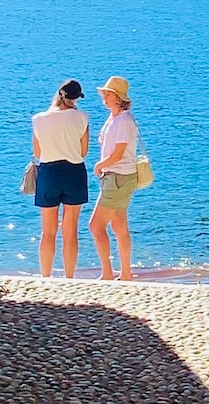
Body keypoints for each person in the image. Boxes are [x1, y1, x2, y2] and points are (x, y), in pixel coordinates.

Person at [90, 74, 148, 281]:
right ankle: (125, 273)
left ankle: (108, 272)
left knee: (96, 226)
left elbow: (119, 152)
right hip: (116, 177)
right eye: (104, 94)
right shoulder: (115, 117)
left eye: (107, 94)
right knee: (119, 225)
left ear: (117, 97)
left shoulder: (123, 120)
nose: (103, 97)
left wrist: (100, 165)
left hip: (118, 177)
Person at [31, 79, 90, 278]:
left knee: (48, 230)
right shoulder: (82, 117)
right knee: (70, 228)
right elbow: (83, 151)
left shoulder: (38, 119)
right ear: (74, 98)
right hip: (74, 171)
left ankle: (45, 276)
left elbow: (37, 152)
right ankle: (69, 277)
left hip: (48, 172)